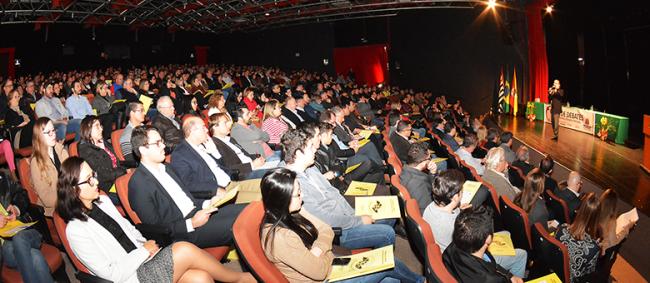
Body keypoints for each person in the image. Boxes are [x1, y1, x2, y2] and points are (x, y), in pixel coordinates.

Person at [57, 157, 255, 283]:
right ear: (73, 190)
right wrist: (143, 252)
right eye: (89, 180)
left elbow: (130, 229)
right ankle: (240, 279)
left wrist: (146, 247)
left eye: (94, 176)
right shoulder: (76, 230)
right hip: (130, 277)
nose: (96, 182)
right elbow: (111, 274)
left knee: (201, 278)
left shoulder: (103, 203)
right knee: (183, 248)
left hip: (144, 260)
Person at [259, 167, 425, 283]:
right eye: (297, 194)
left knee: (392, 280)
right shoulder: (280, 237)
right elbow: (319, 272)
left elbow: (325, 229)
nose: (302, 197)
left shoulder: (295, 210)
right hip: (326, 279)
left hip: (332, 263)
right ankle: (421, 281)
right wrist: (324, 250)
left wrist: (317, 251)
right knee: (390, 262)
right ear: (282, 199)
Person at [128, 125, 247, 249]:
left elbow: (187, 198)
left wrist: (208, 203)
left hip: (198, 213)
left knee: (250, 210)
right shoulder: (138, 184)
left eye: (162, 142)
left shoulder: (167, 168)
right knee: (244, 224)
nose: (163, 146)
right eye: (157, 143)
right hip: (184, 232)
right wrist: (191, 223)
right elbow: (156, 228)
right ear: (143, 150)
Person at [280, 127, 397, 250]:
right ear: (298, 154)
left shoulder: (309, 168)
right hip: (336, 231)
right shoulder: (292, 184)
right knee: (388, 233)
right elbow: (323, 218)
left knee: (390, 213)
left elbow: (334, 193)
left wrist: (354, 214)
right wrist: (358, 221)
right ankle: (379, 264)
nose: (315, 149)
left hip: (344, 215)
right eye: (310, 147)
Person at [423, 171, 525, 278]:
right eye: (461, 191)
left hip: (452, 256)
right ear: (454, 198)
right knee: (521, 255)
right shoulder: (453, 225)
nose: (463, 193)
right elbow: (472, 246)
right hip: (468, 261)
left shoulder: (431, 207)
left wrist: (459, 211)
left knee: (507, 233)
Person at [170, 116, 263, 200]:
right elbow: (187, 183)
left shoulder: (204, 146)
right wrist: (214, 189)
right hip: (220, 191)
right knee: (261, 197)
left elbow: (224, 167)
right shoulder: (180, 154)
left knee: (268, 185)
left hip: (232, 183)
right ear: (193, 132)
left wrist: (215, 153)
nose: (206, 130)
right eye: (203, 127)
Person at [443, 206, 524, 283]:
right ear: (488, 239)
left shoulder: (453, 246)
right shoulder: (493, 280)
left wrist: (509, 276)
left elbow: (492, 265)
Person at [0, 170, 54, 283]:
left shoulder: (3, 178)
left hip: (25, 231)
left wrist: (16, 208)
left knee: (19, 237)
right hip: (5, 246)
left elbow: (22, 194)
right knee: (37, 258)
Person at [77, 116, 130, 204]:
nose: (101, 129)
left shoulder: (103, 143)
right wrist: (125, 172)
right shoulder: (86, 150)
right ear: (87, 129)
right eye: (97, 126)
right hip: (107, 188)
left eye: (100, 126)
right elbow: (101, 174)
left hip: (118, 180)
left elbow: (116, 162)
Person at [315, 122, 384, 187]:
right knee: (370, 163)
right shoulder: (319, 152)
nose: (332, 137)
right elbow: (328, 172)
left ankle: (383, 189)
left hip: (341, 173)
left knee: (377, 173)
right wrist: (336, 173)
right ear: (324, 136)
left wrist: (336, 173)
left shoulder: (328, 147)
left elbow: (337, 163)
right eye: (330, 134)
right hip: (342, 179)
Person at [554, 193, 601, 283]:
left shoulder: (562, 228)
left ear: (580, 210)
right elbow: (589, 273)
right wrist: (596, 246)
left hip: (555, 272)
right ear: (597, 217)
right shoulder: (594, 247)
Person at [210, 113, 272, 180]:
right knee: (276, 173)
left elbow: (245, 155)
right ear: (215, 127)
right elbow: (227, 168)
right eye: (225, 123)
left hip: (252, 167)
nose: (229, 125)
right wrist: (252, 165)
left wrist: (259, 157)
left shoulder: (230, 140)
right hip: (244, 174)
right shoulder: (215, 145)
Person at [30, 117, 70, 217]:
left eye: (53, 130)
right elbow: (47, 198)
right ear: (39, 136)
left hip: (71, 201)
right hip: (56, 209)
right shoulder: (36, 163)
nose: (53, 134)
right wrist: (69, 195)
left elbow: (73, 175)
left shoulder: (61, 151)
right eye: (48, 132)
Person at [399, 142, 438, 214]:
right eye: (429, 158)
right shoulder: (416, 183)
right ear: (423, 162)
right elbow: (425, 210)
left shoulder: (406, 169)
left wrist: (432, 173)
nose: (431, 160)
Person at [599, 189, 635, 255]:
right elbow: (614, 242)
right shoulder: (611, 221)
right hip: (599, 251)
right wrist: (626, 229)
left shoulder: (595, 210)